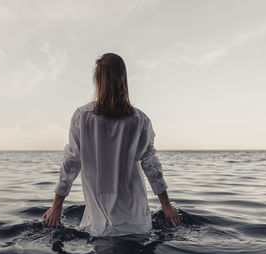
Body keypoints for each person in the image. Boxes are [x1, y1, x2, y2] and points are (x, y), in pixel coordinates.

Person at [41, 52, 181, 236]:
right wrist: (166, 206)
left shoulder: (82, 117)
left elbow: (71, 163)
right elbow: (151, 165)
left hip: (99, 226)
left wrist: (56, 206)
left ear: (98, 80)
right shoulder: (139, 120)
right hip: (137, 223)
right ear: (123, 80)